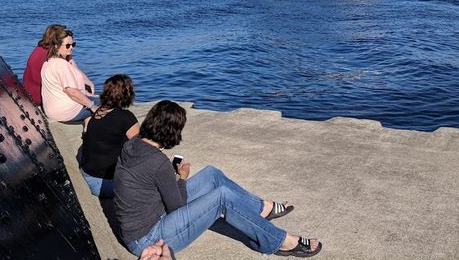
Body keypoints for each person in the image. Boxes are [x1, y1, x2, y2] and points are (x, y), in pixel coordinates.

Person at [113, 101, 322, 258]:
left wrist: (169, 175)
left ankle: (261, 209)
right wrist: (181, 179)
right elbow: (176, 206)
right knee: (222, 197)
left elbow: (146, 178)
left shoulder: (132, 145)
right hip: (147, 238)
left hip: (145, 221)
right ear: (172, 132)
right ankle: (279, 241)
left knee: (212, 174)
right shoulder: (158, 162)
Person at [79, 74, 140, 198]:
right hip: (105, 183)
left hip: (87, 174)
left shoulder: (99, 111)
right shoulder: (125, 117)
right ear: (127, 94)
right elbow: (143, 147)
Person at [40, 26, 98, 122]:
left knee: (95, 99)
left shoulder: (48, 62)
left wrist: (87, 95)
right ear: (57, 46)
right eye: (67, 45)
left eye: (73, 44)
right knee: (109, 103)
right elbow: (72, 92)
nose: (71, 48)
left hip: (52, 110)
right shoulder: (61, 65)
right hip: (67, 112)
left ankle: (88, 125)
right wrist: (92, 106)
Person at [22, 24, 65, 105]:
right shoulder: (49, 54)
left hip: (32, 93)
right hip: (39, 95)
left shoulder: (41, 48)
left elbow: (72, 64)